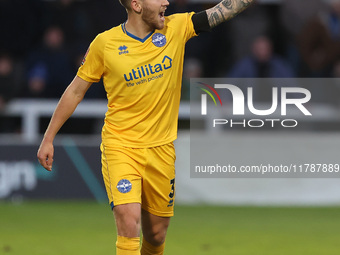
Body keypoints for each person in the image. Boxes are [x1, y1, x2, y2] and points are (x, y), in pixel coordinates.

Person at [37, 0, 254, 254]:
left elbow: (221, 12)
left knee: (156, 234)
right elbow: (75, 91)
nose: (166, 2)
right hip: (121, 146)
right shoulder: (105, 44)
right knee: (129, 221)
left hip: (161, 150)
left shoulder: (177, 27)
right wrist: (48, 137)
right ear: (137, 5)